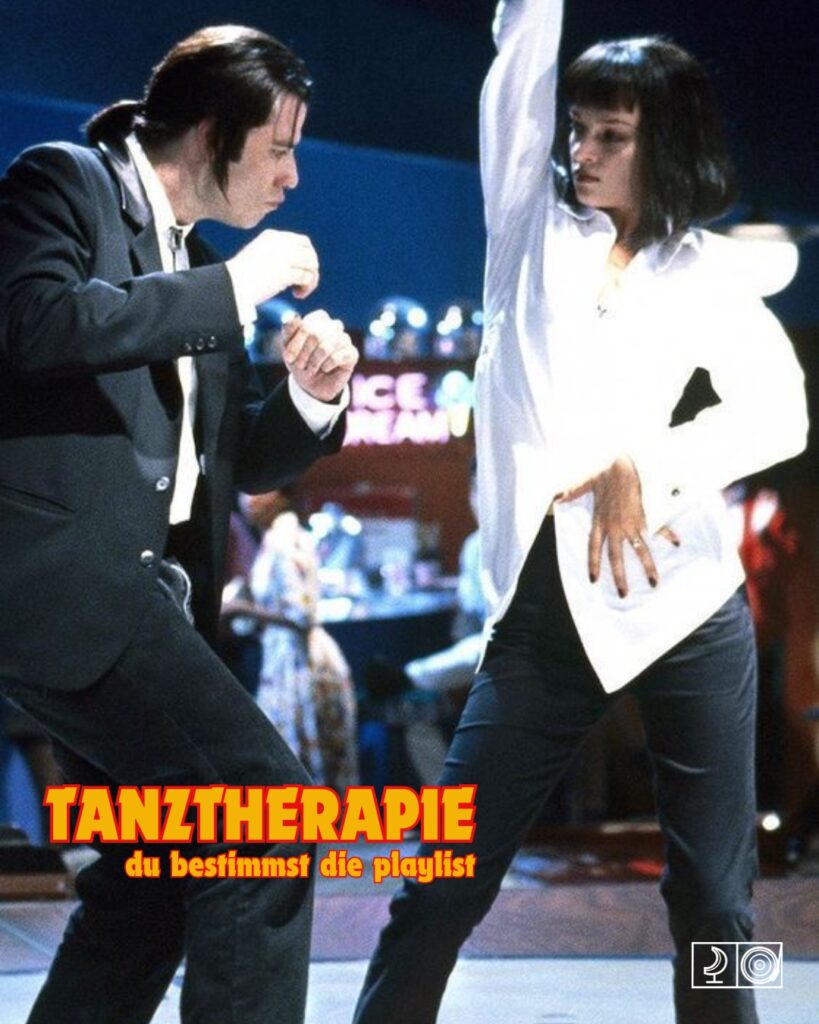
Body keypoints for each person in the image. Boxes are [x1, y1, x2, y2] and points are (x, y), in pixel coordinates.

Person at [353, 2, 808, 1023]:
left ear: (666, 143)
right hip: (546, 615)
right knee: (441, 884)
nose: (583, 150)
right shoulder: (528, 226)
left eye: (613, 134)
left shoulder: (706, 273)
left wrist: (648, 461)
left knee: (717, 905)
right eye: (577, 128)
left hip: (689, 606)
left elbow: (781, 410)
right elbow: (519, 57)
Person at [0, 24, 359, 1024]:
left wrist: (312, 398)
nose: (291, 176)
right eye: (278, 149)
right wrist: (236, 285)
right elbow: (34, 323)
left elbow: (233, 459)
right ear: (209, 133)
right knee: (267, 820)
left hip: (136, 607)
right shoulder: (61, 181)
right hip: (64, 589)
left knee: (152, 879)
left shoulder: (192, 263)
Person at [245, 489, 359, 791]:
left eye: (259, 491)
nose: (248, 501)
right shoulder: (278, 536)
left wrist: (241, 610)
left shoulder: (284, 540)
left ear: (282, 494)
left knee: (294, 765)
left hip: (297, 659)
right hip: (285, 656)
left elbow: (300, 614)